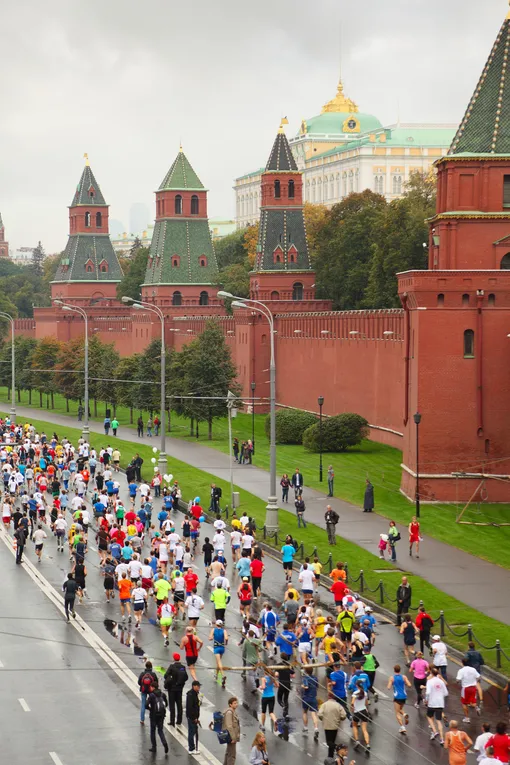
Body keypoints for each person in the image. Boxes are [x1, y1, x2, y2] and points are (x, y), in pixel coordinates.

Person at [318, 693, 346, 757]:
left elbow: (319, 714)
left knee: (329, 742)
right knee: (332, 741)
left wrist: (323, 719)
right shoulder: (338, 705)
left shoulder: (324, 704)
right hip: (335, 726)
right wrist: (340, 719)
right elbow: (344, 715)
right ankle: (330, 756)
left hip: (327, 726)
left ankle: (338, 747)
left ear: (329, 697)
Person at [425, 667, 448, 745]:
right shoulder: (441, 682)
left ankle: (434, 731)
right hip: (440, 703)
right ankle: (442, 739)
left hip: (432, 703)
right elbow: (446, 693)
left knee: (429, 716)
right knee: (438, 720)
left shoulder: (429, 681)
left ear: (431, 673)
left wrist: (426, 700)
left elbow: (427, 692)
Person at [164, 652, 188, 726]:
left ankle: (172, 721)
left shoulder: (172, 667)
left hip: (172, 689)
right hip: (179, 689)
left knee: (172, 705)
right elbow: (186, 677)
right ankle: (179, 720)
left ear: (174, 658)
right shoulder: (183, 667)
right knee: (179, 704)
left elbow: (165, 675)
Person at [456, 658, 482, 722]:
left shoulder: (461, 670)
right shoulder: (473, 669)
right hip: (473, 688)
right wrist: (476, 681)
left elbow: (458, 680)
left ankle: (467, 718)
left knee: (464, 703)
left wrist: (458, 682)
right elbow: (479, 677)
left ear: (463, 663)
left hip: (465, 689)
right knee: (473, 701)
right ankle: (477, 708)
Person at [387, 664, 411, 734]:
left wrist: (391, 684)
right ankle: (404, 714)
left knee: (397, 712)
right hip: (404, 696)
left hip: (397, 697)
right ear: (400, 670)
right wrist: (405, 684)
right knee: (400, 709)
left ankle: (402, 727)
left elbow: (388, 687)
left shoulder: (392, 678)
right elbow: (409, 685)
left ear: (394, 670)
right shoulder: (404, 677)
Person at [147, 682, 169, 754]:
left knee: (153, 731)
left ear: (153, 687)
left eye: (151, 687)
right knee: (160, 730)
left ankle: (154, 747)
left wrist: (150, 709)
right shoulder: (163, 694)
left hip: (153, 716)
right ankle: (164, 743)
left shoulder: (151, 695)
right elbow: (166, 704)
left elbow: (146, 705)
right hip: (161, 715)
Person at [351, 680, 370, 751]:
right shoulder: (365, 693)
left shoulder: (355, 693)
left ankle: (357, 741)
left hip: (357, 712)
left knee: (354, 726)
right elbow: (366, 704)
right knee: (364, 729)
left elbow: (352, 703)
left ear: (356, 685)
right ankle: (367, 744)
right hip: (364, 711)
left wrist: (352, 709)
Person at [301, 666, 319, 739]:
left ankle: (305, 727)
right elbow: (317, 686)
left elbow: (306, 687)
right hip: (313, 698)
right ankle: (316, 728)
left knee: (305, 712)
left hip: (306, 697)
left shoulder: (305, 678)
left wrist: (302, 686)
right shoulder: (315, 678)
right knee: (313, 714)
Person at [138, 660, 158, 725]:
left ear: (145, 666)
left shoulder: (142, 674)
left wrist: (142, 686)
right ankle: (153, 717)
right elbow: (156, 683)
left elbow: (139, 682)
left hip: (143, 690)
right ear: (151, 667)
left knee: (143, 704)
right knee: (153, 704)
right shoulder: (153, 674)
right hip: (151, 691)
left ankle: (142, 719)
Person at [223, 697, 241, 765]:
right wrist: (233, 738)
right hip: (231, 737)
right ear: (230, 704)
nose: (236, 704)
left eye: (237, 703)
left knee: (228, 753)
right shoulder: (229, 713)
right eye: (234, 703)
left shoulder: (233, 712)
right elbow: (229, 726)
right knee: (232, 755)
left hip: (231, 736)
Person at [186, 680, 202, 754]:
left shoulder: (195, 694)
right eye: (198, 686)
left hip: (194, 717)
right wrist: (194, 718)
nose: (199, 687)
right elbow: (190, 708)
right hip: (192, 717)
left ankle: (192, 747)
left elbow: (196, 705)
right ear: (194, 686)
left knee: (193, 732)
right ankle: (191, 748)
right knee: (192, 732)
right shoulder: (191, 695)